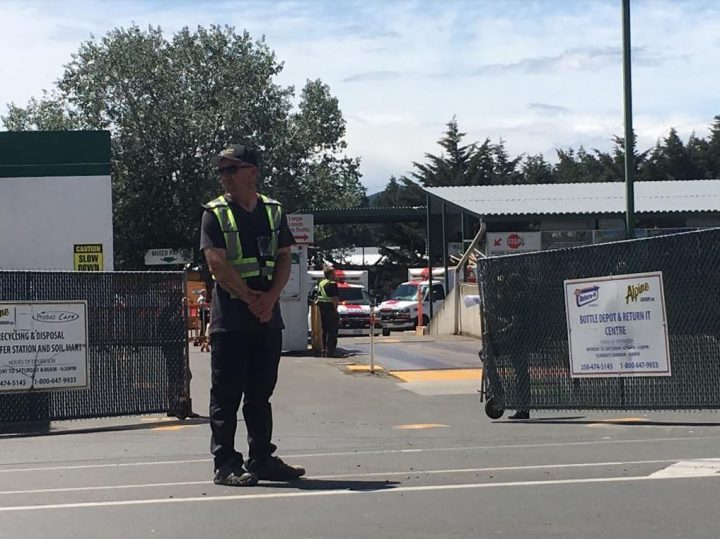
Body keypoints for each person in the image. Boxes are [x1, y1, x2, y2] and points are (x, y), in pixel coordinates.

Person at [200, 144, 305, 487]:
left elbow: (285, 257)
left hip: (265, 318)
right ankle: (226, 464)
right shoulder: (214, 213)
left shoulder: (274, 212)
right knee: (226, 394)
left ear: (252, 172)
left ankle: (261, 458)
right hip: (231, 319)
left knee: (261, 391)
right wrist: (249, 298)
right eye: (222, 171)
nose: (225, 177)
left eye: (232, 169)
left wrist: (271, 297)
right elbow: (216, 262)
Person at [315, 266, 340, 357]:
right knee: (332, 331)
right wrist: (336, 309)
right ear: (330, 274)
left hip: (322, 309)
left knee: (324, 330)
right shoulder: (332, 284)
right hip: (330, 309)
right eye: (334, 273)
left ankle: (324, 350)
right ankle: (330, 351)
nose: (335, 275)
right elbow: (335, 299)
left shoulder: (321, 283)